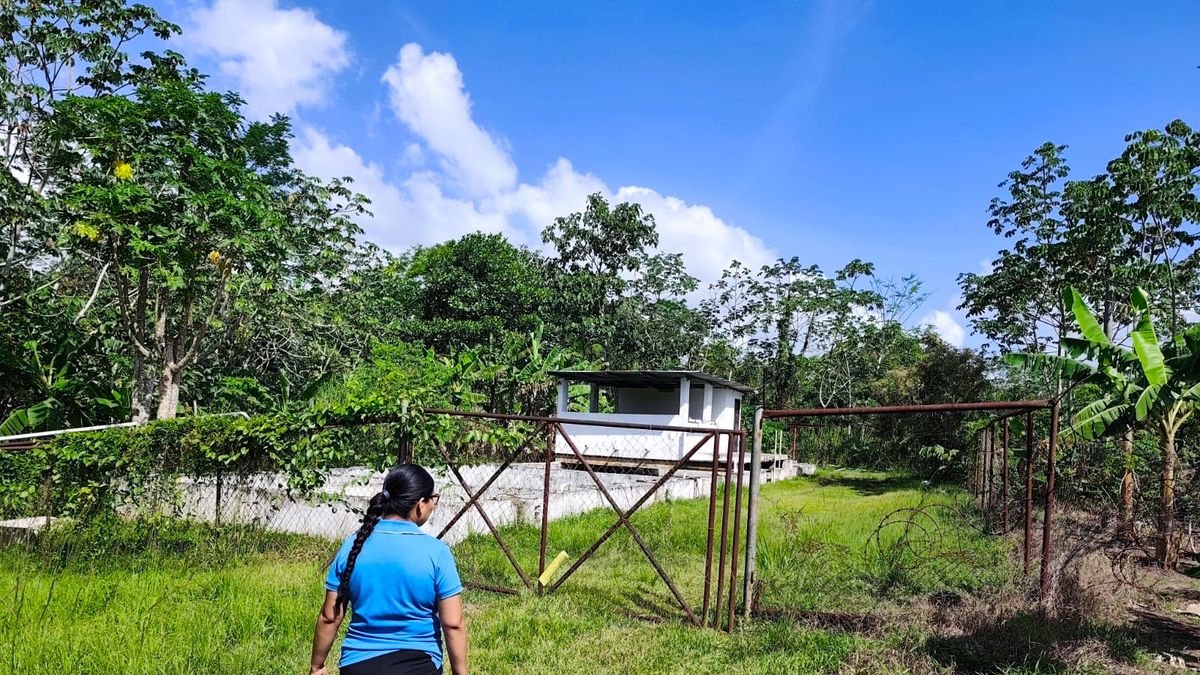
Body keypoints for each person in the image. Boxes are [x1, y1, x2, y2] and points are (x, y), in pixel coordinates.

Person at [310, 464, 468, 675]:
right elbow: (453, 623)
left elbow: (330, 616)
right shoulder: (437, 552)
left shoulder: (353, 546)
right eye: (433, 499)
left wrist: (317, 666)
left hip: (357, 665)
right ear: (420, 504)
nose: (434, 505)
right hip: (419, 665)